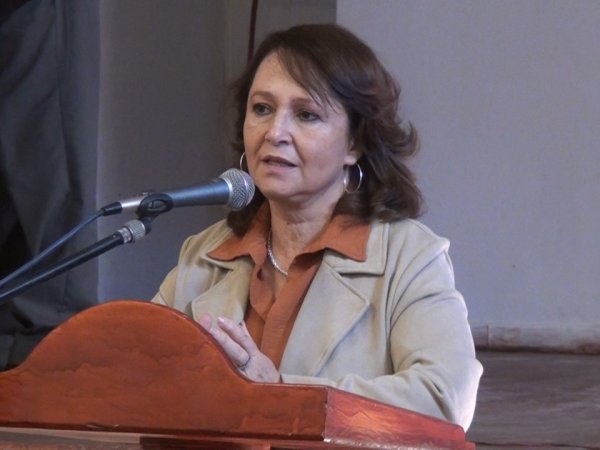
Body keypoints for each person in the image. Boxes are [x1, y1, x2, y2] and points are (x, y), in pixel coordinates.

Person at [152, 24, 482, 430]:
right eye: (262, 109)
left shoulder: (409, 257)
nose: (275, 133)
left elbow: (443, 398)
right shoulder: (204, 254)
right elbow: (136, 376)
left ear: (354, 144)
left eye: (306, 115)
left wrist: (280, 393)